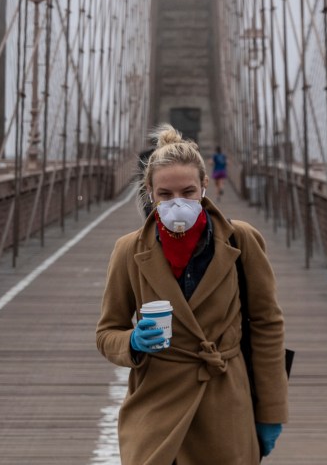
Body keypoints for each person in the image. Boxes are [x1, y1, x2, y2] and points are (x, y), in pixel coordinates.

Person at [97, 126, 288, 464]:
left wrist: (271, 411)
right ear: (150, 194)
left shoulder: (240, 241)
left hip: (224, 406)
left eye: (187, 192)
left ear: (204, 187)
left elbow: (267, 325)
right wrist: (132, 343)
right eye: (165, 195)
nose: (177, 203)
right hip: (156, 409)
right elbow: (107, 332)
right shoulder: (128, 251)